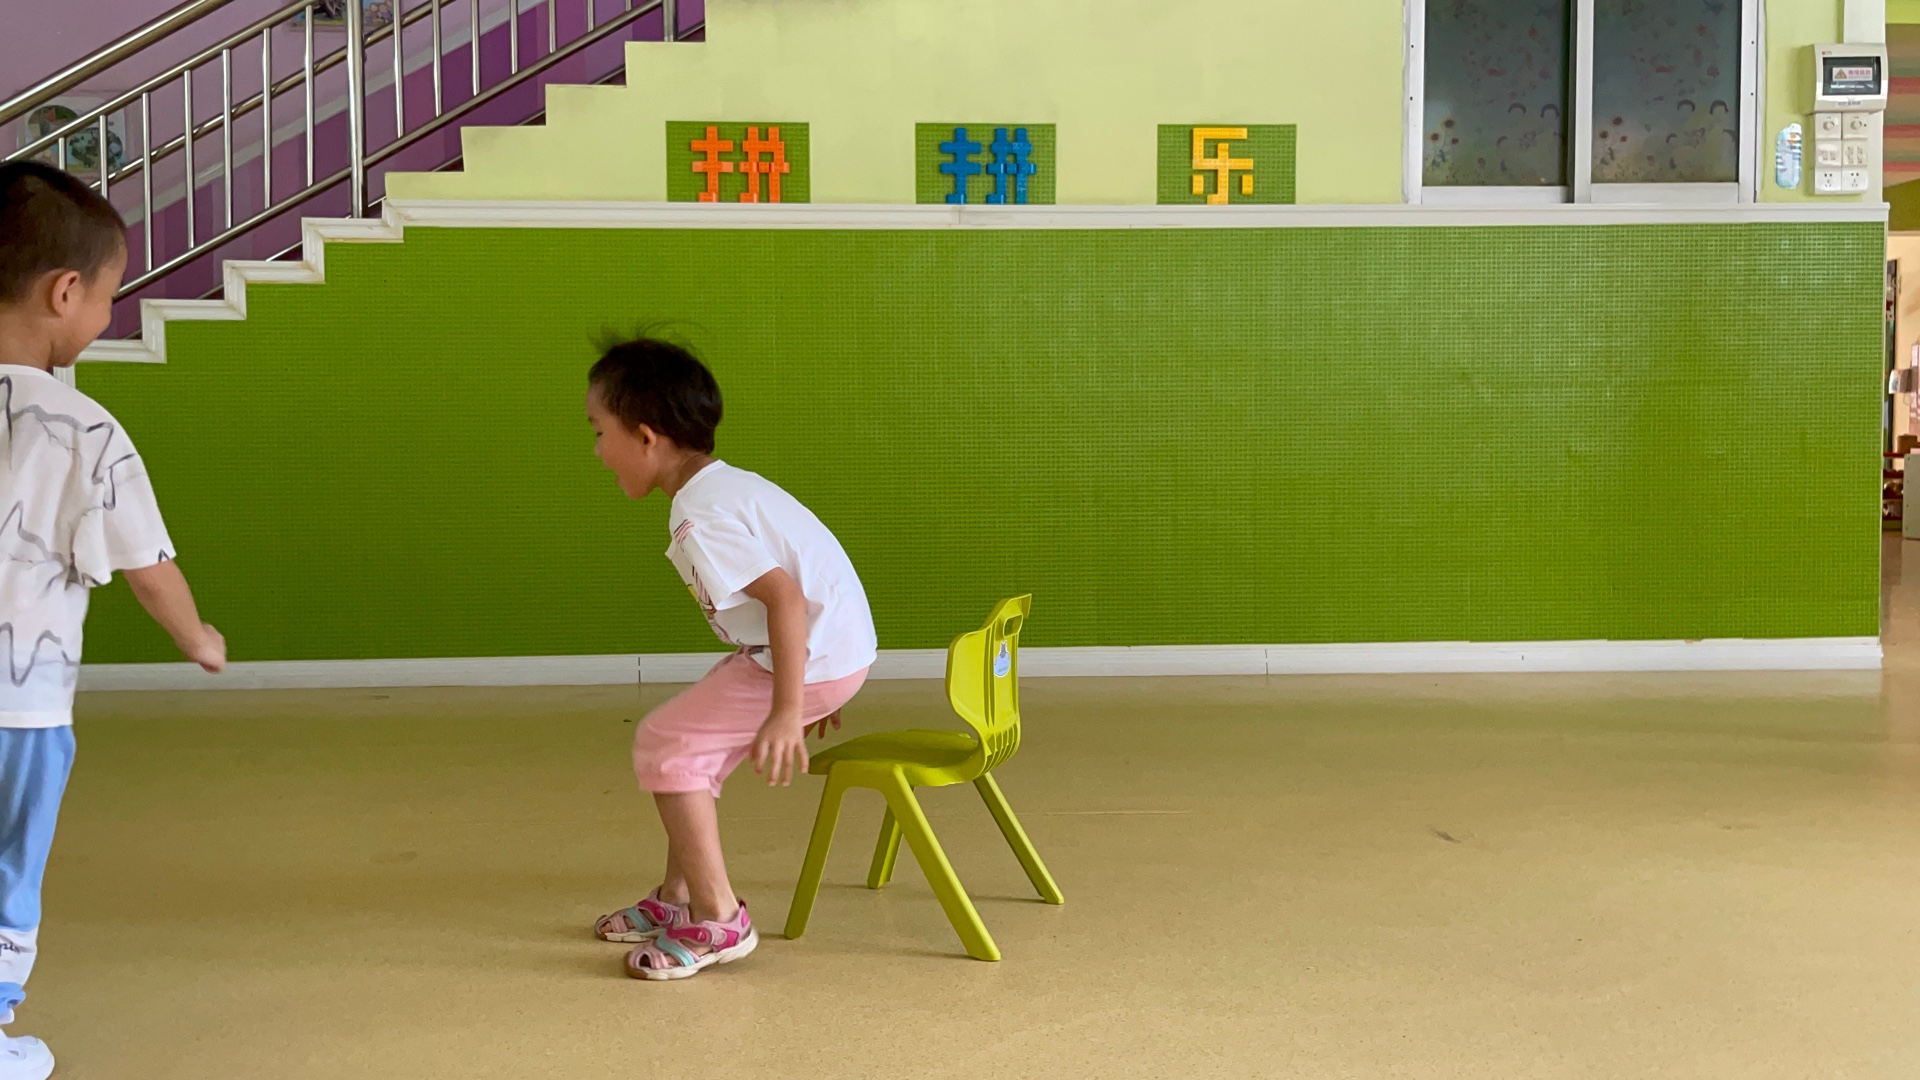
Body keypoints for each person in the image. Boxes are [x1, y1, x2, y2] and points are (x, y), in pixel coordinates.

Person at [0, 162, 226, 1078]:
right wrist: (197, 638)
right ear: (64, 292)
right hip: (22, 714)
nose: (104, 316)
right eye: (106, 297)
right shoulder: (84, 428)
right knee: (10, 868)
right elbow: (148, 565)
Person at [583, 336, 875, 981]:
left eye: (599, 433)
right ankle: (677, 894)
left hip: (810, 655)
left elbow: (786, 597)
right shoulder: (726, 487)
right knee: (691, 745)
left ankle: (717, 919)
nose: (597, 452)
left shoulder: (701, 515)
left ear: (646, 437)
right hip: (825, 653)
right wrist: (815, 683)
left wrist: (791, 706)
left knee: (665, 742)